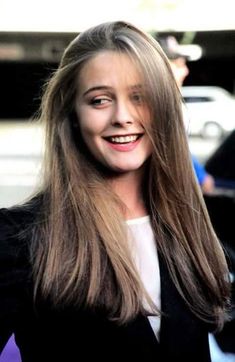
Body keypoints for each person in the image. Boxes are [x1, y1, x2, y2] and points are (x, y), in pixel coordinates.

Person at [0, 21, 231, 362]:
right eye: (99, 100)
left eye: (140, 97)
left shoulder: (193, 226)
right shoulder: (18, 240)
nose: (123, 116)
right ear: (72, 113)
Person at [157, 35, 215, 194]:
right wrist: (201, 177)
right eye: (179, 65)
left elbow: (180, 146)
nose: (185, 71)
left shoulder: (171, 101)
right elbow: (173, 150)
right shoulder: (157, 105)